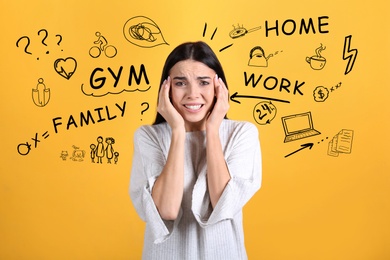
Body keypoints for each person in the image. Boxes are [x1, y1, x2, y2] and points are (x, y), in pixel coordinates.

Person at [130, 41, 262, 259]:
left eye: (203, 82)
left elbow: (223, 205)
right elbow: (167, 211)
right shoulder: (149, 136)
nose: (193, 93)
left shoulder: (242, 134)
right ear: (167, 88)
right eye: (181, 83)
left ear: (218, 87)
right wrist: (178, 131)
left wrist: (212, 129)